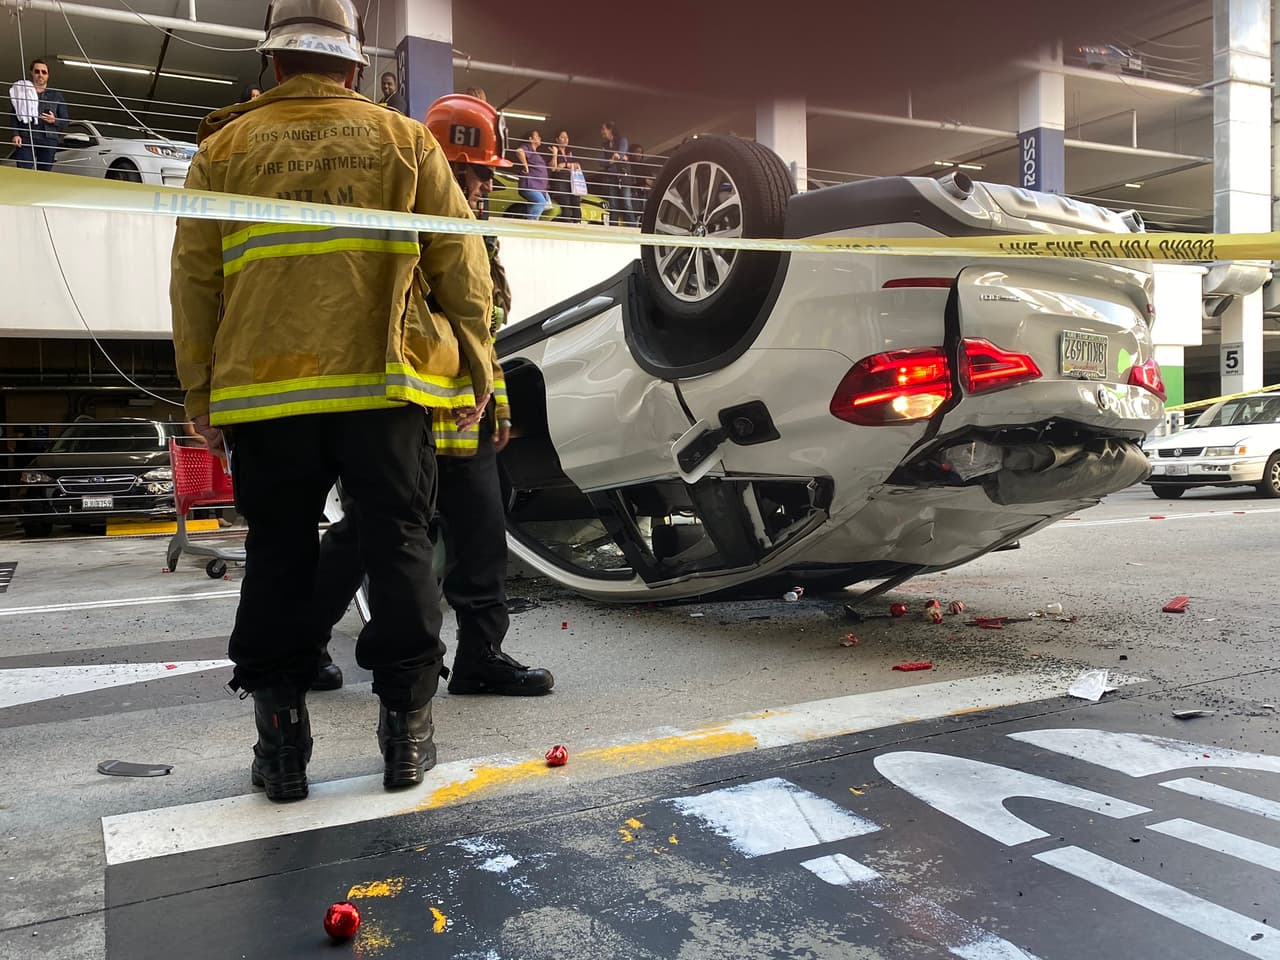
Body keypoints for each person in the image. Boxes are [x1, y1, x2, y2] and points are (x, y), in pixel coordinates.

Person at [169, 0, 496, 803]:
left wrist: (200, 390)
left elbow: (195, 279)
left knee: (279, 556)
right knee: (400, 548)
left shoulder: (224, 146)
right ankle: (405, 740)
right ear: (355, 66)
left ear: (273, 64)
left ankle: (281, 752)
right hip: (384, 391)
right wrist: (477, 365)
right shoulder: (404, 140)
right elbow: (461, 263)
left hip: (266, 395)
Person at [313, 92, 553, 700]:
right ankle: (304, 645)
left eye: (483, 177)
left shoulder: (479, 236)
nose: (478, 187)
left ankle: (481, 656)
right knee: (366, 536)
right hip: (406, 415)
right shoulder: (397, 226)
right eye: (469, 174)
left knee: (481, 537)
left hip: (463, 417)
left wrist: (495, 401)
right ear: (440, 166)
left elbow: (484, 329)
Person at [8, 59, 69, 172]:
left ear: (48, 75)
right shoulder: (22, 91)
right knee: (23, 172)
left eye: (44, 72)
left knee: (44, 173)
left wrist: (54, 120)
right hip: (26, 136)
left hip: (49, 139)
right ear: (31, 73)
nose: (40, 74)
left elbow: (65, 121)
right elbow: (14, 114)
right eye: (37, 71)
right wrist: (15, 134)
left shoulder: (56, 95)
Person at [599, 120, 634, 226]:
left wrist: (613, 159)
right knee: (613, 205)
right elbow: (600, 162)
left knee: (626, 204)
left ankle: (633, 229)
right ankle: (613, 229)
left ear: (610, 130)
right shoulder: (604, 145)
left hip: (623, 177)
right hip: (612, 178)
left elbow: (621, 154)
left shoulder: (622, 140)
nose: (602, 132)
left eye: (603, 129)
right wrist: (612, 160)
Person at [514, 128, 550, 221]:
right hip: (530, 185)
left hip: (537, 186)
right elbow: (519, 151)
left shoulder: (534, 152)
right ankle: (531, 223)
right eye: (537, 136)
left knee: (533, 205)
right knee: (540, 202)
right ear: (530, 139)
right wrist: (525, 165)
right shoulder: (527, 147)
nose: (540, 138)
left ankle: (530, 224)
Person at [547, 129, 581, 224]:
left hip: (571, 184)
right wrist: (555, 155)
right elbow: (554, 168)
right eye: (562, 137)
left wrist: (565, 165)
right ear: (557, 139)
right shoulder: (553, 150)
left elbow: (577, 165)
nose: (565, 139)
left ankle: (578, 226)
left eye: (567, 137)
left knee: (576, 202)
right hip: (559, 186)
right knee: (565, 203)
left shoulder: (569, 152)